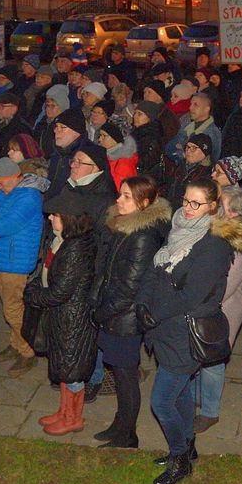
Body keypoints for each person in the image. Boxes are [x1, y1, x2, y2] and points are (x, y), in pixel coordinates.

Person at [137, 180, 234, 484]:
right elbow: (157, 269)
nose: (188, 209)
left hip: (185, 331)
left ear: (212, 207)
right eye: (186, 201)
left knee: (161, 401)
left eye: (196, 204)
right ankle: (187, 447)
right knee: (178, 394)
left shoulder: (214, 243)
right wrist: (143, 302)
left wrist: (155, 313)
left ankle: (180, 459)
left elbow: (193, 294)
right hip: (166, 328)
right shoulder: (179, 227)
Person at [91, 176, 171, 448]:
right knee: (120, 374)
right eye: (120, 194)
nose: (118, 200)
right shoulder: (125, 227)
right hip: (114, 314)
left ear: (144, 202)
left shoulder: (142, 236)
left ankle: (127, 435)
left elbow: (128, 288)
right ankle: (120, 425)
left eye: (126, 196)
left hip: (123, 319)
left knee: (126, 378)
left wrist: (100, 313)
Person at [25, 189, 99, 436]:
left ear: (67, 218)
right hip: (62, 317)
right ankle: (63, 411)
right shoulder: (63, 239)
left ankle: (73, 418)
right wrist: (36, 284)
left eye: (54, 215)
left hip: (73, 319)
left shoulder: (75, 248)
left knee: (73, 370)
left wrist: (32, 295)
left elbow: (60, 292)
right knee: (64, 368)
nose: (49, 218)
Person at [194, 185, 242, 434]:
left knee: (213, 362)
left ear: (236, 214)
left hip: (223, 311)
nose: (215, 208)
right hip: (204, 305)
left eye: (222, 205)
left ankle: (210, 411)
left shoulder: (239, 245)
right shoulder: (215, 233)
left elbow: (225, 286)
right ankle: (197, 397)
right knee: (199, 355)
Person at [0, 157, 44, 377]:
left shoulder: (29, 197)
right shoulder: (4, 192)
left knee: (13, 309)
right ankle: (16, 344)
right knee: (10, 306)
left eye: (1, 182)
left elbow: (1, 226)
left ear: (15, 177)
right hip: (2, 258)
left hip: (15, 262)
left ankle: (27, 351)